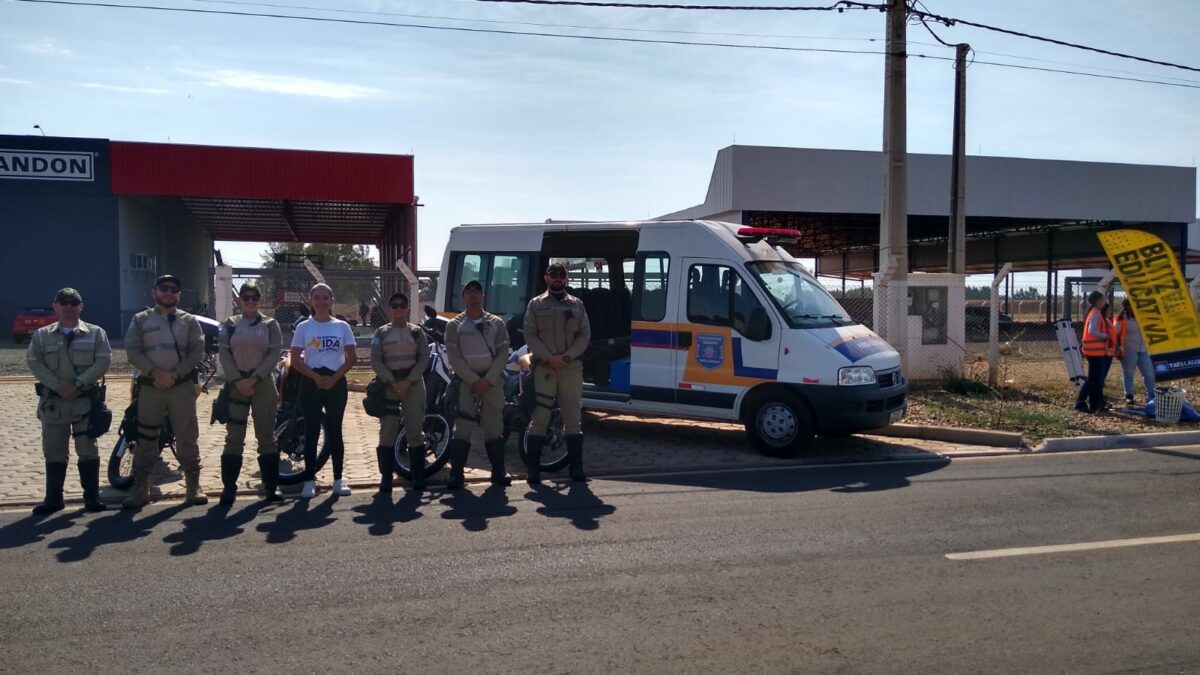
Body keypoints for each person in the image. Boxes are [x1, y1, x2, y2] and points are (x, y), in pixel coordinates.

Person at [25, 288, 112, 514]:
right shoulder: (42, 335)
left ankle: (92, 498)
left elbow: (102, 362)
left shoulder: (95, 333)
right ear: (55, 306)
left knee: (88, 450)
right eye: (63, 302)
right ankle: (53, 499)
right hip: (54, 403)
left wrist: (79, 384)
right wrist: (58, 385)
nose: (69, 305)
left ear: (81, 306)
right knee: (54, 451)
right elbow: (34, 362)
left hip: (84, 403)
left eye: (74, 302)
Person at [124, 274, 208, 509]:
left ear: (179, 295)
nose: (169, 293)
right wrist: (155, 373)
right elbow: (132, 351)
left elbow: (196, 351)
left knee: (187, 437)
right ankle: (141, 489)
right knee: (146, 439)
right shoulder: (141, 320)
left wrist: (175, 374)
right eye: (164, 288)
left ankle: (193, 488)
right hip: (151, 388)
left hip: (180, 387)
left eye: (174, 289)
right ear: (154, 292)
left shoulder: (189, 321)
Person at [523, 262, 591, 484]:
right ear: (546, 278)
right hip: (544, 368)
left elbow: (584, 335)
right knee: (540, 419)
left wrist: (567, 357)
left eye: (562, 275)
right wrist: (550, 358)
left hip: (570, 369)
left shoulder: (577, 305)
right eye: (554, 275)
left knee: (572, 419)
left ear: (567, 279)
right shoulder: (535, 304)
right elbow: (530, 336)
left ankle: (576, 468)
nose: (558, 278)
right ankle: (533, 470)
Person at [217, 281, 283, 504]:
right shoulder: (231, 324)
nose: (250, 301)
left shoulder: (270, 324)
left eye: (255, 297)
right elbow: (224, 354)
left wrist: (255, 378)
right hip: (237, 384)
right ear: (239, 300)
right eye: (246, 297)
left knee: (266, 437)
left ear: (260, 300)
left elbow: (274, 354)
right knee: (234, 438)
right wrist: (237, 379)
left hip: (262, 383)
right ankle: (229, 488)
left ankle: (271, 487)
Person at [289, 283, 357, 498]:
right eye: (316, 297)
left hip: (336, 383)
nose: (321, 301)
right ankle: (309, 479)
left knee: (336, 431)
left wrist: (334, 378)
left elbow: (351, 357)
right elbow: (295, 360)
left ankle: (338, 479)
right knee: (311, 431)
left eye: (325, 297)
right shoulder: (304, 327)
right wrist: (317, 377)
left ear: (331, 300)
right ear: (311, 301)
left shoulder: (341, 327)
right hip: (312, 382)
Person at [444, 280, 511, 489]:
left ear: (482, 296)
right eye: (468, 291)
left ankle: (498, 472)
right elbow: (454, 357)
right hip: (466, 382)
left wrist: (488, 379)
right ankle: (456, 475)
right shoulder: (454, 325)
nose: (473, 295)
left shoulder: (496, 323)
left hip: (491, 382)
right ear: (462, 297)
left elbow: (503, 353)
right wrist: (474, 380)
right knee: (462, 428)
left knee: (494, 427)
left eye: (476, 291)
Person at [369, 292, 429, 492]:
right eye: (394, 305)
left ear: (408, 308)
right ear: (389, 309)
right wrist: (393, 382)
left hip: (413, 384)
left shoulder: (417, 332)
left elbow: (423, 359)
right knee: (387, 431)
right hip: (389, 385)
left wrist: (408, 382)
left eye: (402, 305)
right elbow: (376, 360)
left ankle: (417, 476)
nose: (399, 309)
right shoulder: (381, 332)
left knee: (415, 431)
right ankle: (386, 477)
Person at [1075, 291, 1113, 414]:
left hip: (1095, 351)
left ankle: (1094, 404)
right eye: (1103, 299)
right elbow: (1092, 331)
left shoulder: (1095, 313)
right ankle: (1081, 403)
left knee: (1096, 378)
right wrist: (1105, 336)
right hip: (1094, 352)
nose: (1105, 301)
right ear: (1098, 301)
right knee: (1093, 378)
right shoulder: (1095, 314)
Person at [1113, 299, 1156, 406]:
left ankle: (1151, 395)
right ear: (1128, 307)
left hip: (1143, 349)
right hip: (1128, 349)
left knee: (1149, 373)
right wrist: (1117, 349)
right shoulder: (1121, 319)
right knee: (1128, 374)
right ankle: (1129, 395)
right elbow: (1114, 335)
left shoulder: (1144, 316)